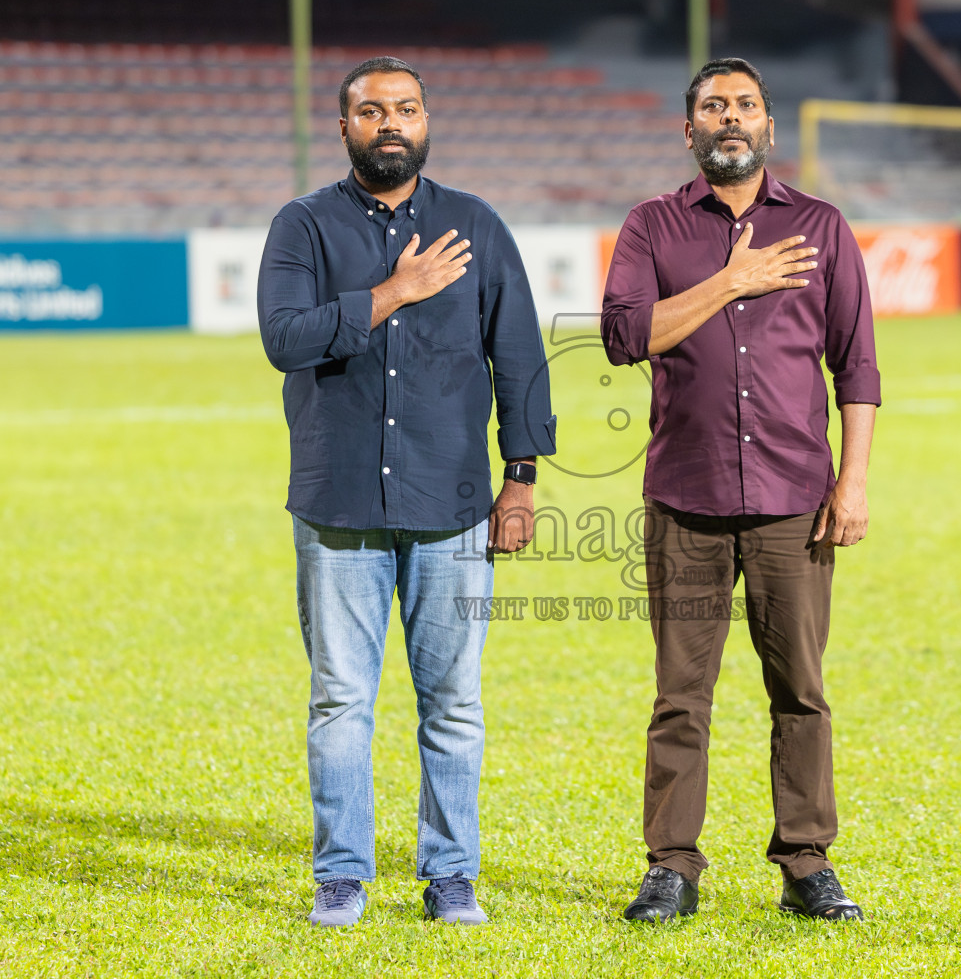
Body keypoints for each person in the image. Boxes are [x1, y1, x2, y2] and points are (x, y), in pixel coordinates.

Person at [257, 56, 555, 927]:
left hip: (454, 505)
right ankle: (341, 874)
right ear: (342, 125)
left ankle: (450, 873)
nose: (392, 123)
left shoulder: (476, 226)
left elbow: (522, 360)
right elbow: (284, 338)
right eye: (372, 110)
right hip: (338, 501)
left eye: (407, 109)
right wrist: (391, 294)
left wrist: (522, 480)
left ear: (427, 121)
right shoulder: (303, 227)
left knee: (454, 703)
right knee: (341, 699)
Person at [600, 58, 880, 922]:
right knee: (681, 695)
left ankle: (806, 862)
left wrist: (854, 479)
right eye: (713, 106)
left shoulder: (823, 228)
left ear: (768, 128)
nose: (731, 117)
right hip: (686, 499)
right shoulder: (652, 227)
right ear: (688, 131)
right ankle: (671, 868)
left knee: (800, 688)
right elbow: (621, 337)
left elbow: (857, 365)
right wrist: (731, 281)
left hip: (797, 499)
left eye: (746, 106)